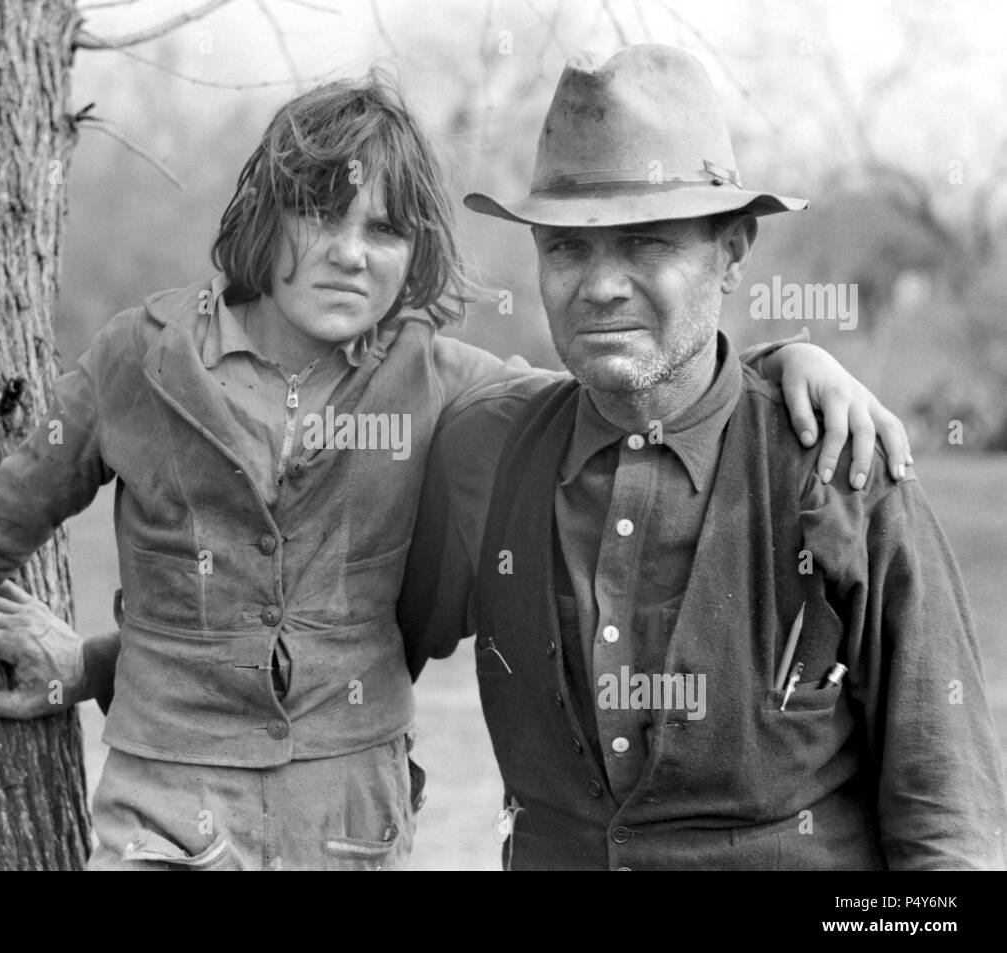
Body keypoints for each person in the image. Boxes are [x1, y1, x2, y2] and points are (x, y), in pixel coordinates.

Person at [0, 69, 910, 871]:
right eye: (322, 215)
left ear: (416, 253)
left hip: (351, 816)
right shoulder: (140, 364)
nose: (351, 253)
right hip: (164, 801)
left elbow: (628, 387)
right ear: (265, 217)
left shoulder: (444, 382)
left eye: (384, 231)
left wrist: (783, 364)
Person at [397, 44, 1007, 870]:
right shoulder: (487, 450)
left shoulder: (839, 469)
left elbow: (947, 825)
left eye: (645, 244)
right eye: (567, 249)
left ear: (732, 250)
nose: (599, 285)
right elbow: (351, 644)